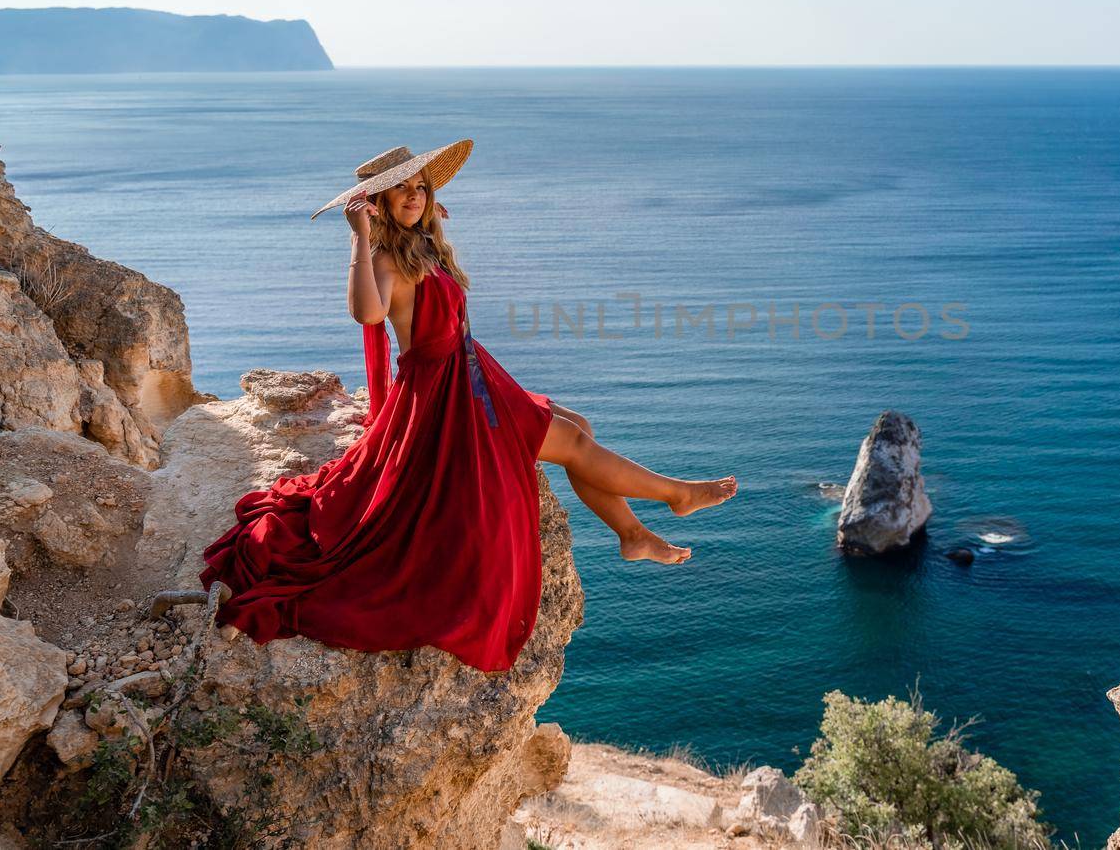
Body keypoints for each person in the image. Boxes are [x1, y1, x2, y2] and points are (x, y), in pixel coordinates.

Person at [197, 140, 737, 671]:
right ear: (377, 204)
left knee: (578, 426)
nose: (414, 197)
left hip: (472, 370)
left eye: (421, 188)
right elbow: (366, 314)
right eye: (401, 191)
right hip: (441, 392)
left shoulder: (424, 247)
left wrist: (428, 224)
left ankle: (633, 534)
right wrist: (360, 240)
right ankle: (676, 494)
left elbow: (447, 307)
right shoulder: (386, 258)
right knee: (571, 443)